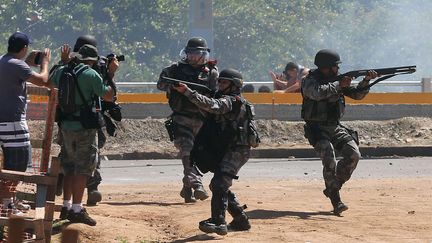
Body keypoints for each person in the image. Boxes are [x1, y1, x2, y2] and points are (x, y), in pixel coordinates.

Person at [173, 68, 256, 235]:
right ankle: (240, 220)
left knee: (219, 183)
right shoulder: (225, 99)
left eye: (224, 82)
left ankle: (219, 222)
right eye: (219, 81)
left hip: (238, 150)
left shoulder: (233, 101)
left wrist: (189, 93)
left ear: (234, 86)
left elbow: (213, 106)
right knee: (217, 184)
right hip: (228, 148)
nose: (220, 84)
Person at [301, 49, 378, 215]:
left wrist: (366, 81)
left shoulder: (340, 80)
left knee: (353, 154)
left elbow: (357, 95)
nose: (337, 69)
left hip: (335, 126)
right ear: (325, 67)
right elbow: (316, 93)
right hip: (316, 127)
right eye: (334, 66)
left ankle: (334, 186)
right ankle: (336, 199)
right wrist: (339, 85)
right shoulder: (309, 81)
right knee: (329, 158)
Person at [49, 44, 116, 226]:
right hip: (85, 128)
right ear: (91, 61)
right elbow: (108, 96)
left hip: (65, 126)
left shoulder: (63, 71)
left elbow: (50, 81)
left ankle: (66, 205)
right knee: (83, 169)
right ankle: (77, 210)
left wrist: (63, 62)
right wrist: (109, 73)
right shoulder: (91, 74)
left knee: (69, 166)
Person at [157, 37, 218, 203]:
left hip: (202, 120)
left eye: (196, 54)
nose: (192, 57)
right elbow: (160, 84)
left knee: (199, 155)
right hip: (181, 118)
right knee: (187, 151)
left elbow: (215, 94)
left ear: (203, 55)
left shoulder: (211, 72)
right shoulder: (175, 70)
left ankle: (186, 187)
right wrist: (172, 85)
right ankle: (197, 184)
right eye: (190, 53)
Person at [0, 31, 51, 215]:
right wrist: (44, 63)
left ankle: (11, 200)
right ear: (24, 48)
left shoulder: (5, 61)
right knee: (17, 165)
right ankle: (7, 205)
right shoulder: (18, 66)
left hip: (2, 122)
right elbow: (43, 81)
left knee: (8, 164)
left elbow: (14, 74)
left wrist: (26, 62)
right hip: (13, 123)